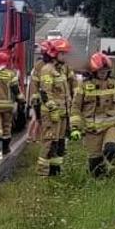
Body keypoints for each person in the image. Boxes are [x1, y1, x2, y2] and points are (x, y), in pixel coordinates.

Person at [70, 52, 115, 177]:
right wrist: (75, 128)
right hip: (92, 130)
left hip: (111, 126)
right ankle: (102, 180)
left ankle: (114, 170)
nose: (103, 73)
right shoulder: (84, 85)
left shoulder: (114, 83)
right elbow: (75, 107)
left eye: (106, 70)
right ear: (94, 71)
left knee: (111, 149)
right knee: (95, 166)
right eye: (100, 71)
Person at [30, 38, 74, 176]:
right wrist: (52, 109)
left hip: (62, 113)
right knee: (49, 143)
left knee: (59, 143)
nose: (65, 56)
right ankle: (42, 173)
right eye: (63, 53)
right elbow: (45, 93)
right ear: (55, 54)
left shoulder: (59, 69)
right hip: (51, 114)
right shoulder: (47, 70)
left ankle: (55, 171)